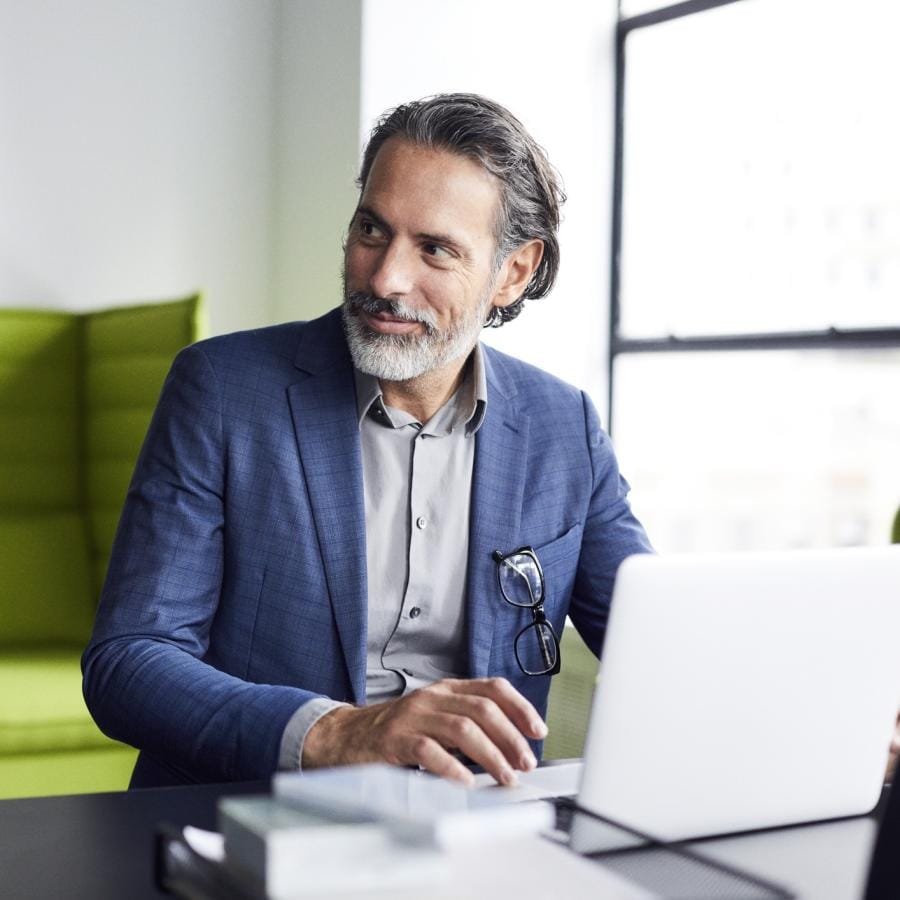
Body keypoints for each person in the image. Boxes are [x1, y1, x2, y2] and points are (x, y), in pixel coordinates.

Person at [82, 93, 653, 790]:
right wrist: (335, 733)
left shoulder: (565, 428)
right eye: (371, 230)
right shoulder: (222, 390)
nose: (385, 278)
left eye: (434, 249)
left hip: (476, 823)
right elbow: (128, 661)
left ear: (513, 272)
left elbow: (661, 644)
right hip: (254, 814)